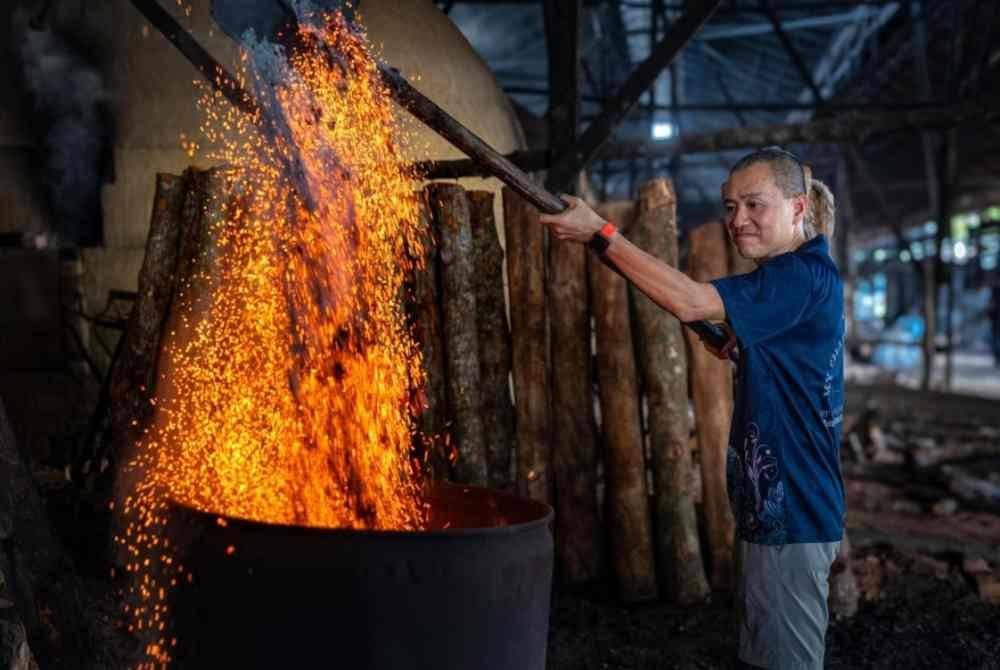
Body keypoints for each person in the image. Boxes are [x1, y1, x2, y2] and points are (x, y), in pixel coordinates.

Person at [539, 146, 845, 670]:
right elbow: (781, 355)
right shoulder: (795, 279)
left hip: (794, 511)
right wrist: (741, 344)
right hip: (779, 510)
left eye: (755, 205)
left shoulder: (797, 274)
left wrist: (601, 234)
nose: (738, 220)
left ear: (798, 208)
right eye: (729, 207)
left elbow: (688, 298)